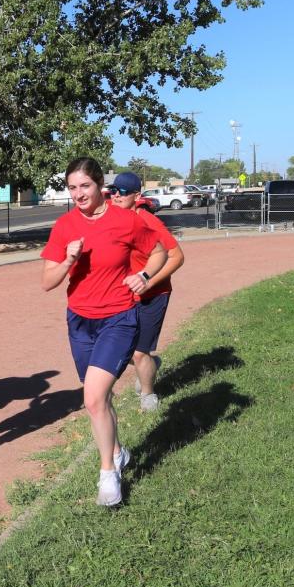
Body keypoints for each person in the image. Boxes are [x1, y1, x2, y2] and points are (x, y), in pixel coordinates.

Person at [41, 158, 167, 507]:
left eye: (85, 186)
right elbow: (47, 282)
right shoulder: (64, 226)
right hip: (80, 322)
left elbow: (159, 253)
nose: (78, 194)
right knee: (100, 399)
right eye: (72, 188)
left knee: (94, 398)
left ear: (100, 186)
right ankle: (119, 452)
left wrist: (143, 277)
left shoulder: (127, 220)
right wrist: (67, 261)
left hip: (119, 319)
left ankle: (108, 474)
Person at [109, 172, 186, 412]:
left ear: (137, 195)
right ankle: (151, 364)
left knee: (140, 352)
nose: (117, 196)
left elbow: (177, 257)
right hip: (125, 295)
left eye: (123, 192)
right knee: (121, 348)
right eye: (114, 191)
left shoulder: (148, 221)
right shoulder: (114, 218)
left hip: (153, 294)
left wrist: (149, 282)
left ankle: (148, 394)